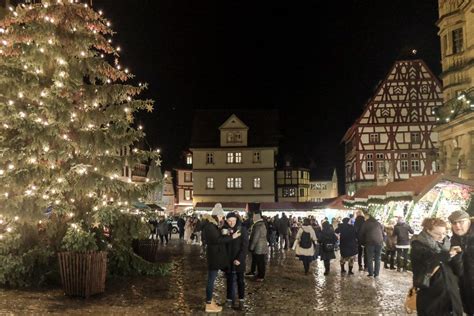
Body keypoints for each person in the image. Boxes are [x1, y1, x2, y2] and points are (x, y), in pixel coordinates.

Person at [410, 217, 463, 316]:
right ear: (427, 231)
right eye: (437, 234)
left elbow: (458, 271)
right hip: (430, 295)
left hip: (450, 294)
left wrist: (458, 256)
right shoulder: (418, 245)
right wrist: (448, 255)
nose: (441, 236)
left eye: (444, 233)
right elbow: (428, 261)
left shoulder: (447, 245)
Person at [202, 203, 241, 313]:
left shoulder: (213, 225)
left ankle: (210, 300)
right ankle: (208, 304)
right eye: (221, 216)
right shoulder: (210, 226)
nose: (222, 218)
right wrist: (231, 237)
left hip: (215, 256)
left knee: (212, 279)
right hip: (213, 257)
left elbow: (217, 237)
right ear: (216, 215)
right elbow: (217, 240)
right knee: (211, 280)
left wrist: (225, 233)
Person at [448, 210, 474, 315]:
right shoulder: (454, 240)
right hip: (465, 290)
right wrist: (455, 256)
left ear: (468, 221)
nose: (457, 226)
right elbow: (458, 271)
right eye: (454, 223)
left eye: (461, 222)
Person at [224, 212, 248, 311]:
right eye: (229, 221)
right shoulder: (225, 230)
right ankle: (230, 300)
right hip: (229, 260)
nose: (231, 223)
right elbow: (223, 244)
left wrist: (239, 259)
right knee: (229, 280)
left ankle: (241, 300)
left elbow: (245, 246)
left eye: (233, 220)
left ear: (236, 220)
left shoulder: (242, 229)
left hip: (239, 260)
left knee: (240, 281)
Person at [248, 212, 268, 281]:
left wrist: (251, 247)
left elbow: (255, 238)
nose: (253, 218)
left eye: (253, 217)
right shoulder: (261, 224)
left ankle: (261, 276)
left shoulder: (258, 226)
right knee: (260, 261)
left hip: (259, 247)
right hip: (261, 246)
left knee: (260, 262)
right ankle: (259, 274)